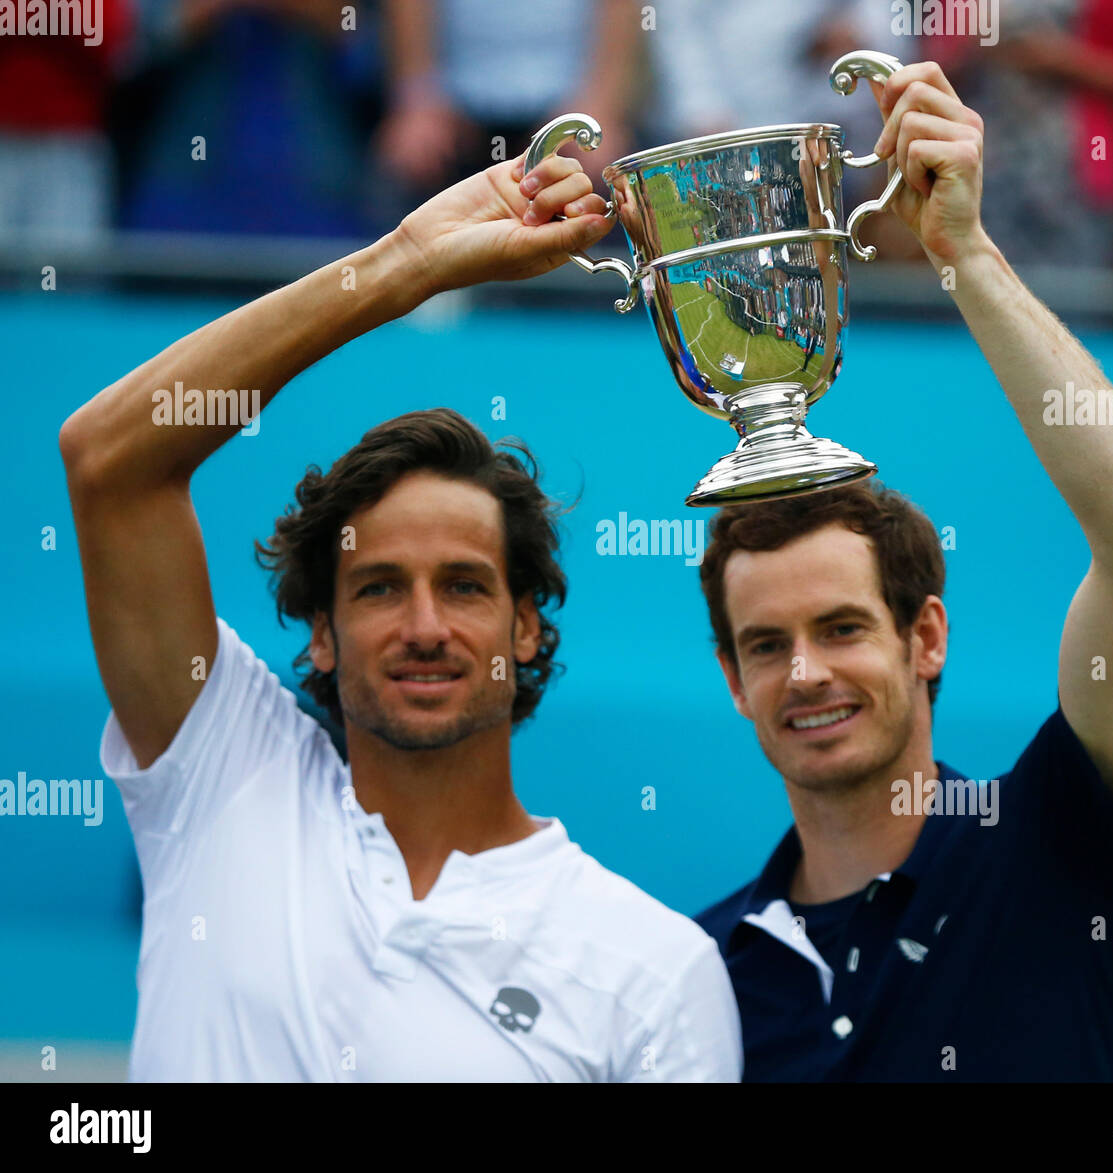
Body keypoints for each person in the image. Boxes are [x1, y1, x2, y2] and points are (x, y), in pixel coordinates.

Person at [58, 152, 741, 1082]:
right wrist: (404, 263)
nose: (425, 625)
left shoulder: (657, 973)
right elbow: (109, 460)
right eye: (378, 587)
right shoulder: (222, 776)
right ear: (322, 632)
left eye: (464, 585)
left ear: (527, 626)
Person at [692, 60, 1113, 1081]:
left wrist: (960, 250)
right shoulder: (695, 975)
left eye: (840, 628)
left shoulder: (1063, 841)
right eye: (766, 644)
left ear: (925, 636)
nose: (805, 673)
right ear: (731, 680)